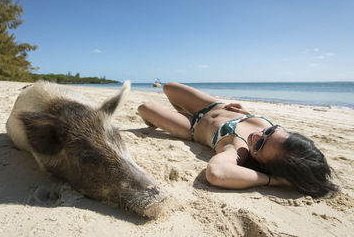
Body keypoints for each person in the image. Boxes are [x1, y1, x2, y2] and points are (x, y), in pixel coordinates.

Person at [138, 82, 338, 198]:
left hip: (193, 128)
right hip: (213, 107)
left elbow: (216, 173)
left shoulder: (238, 150)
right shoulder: (275, 137)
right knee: (169, 87)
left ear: (262, 163)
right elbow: (267, 135)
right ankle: (176, 113)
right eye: (270, 130)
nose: (258, 135)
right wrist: (247, 113)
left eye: (259, 145)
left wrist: (273, 180)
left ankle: (169, 118)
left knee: (144, 108)